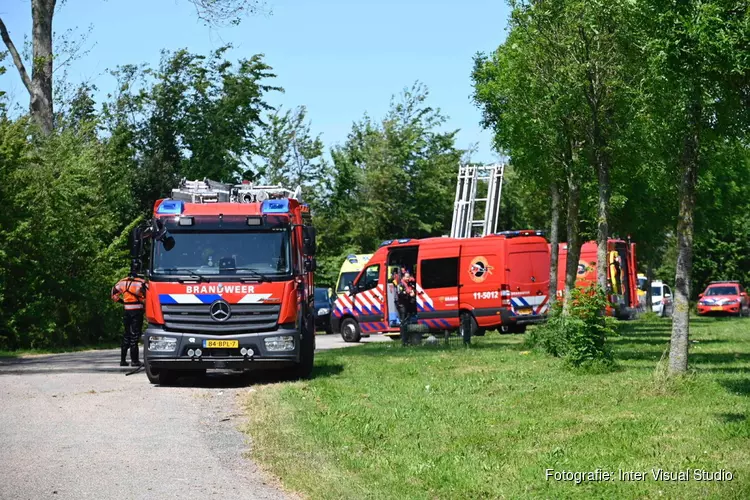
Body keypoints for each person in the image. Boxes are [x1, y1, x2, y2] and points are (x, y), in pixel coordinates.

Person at [111, 267, 147, 367]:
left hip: (127, 310)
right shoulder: (142, 282)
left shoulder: (122, 282)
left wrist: (122, 302)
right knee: (135, 335)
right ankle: (135, 361)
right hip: (137, 311)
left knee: (127, 334)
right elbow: (148, 295)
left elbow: (113, 295)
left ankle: (123, 360)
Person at [397, 270, 418, 345]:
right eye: (407, 277)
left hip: (407, 304)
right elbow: (400, 293)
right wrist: (409, 293)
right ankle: (404, 340)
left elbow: (413, 289)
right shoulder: (400, 284)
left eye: (409, 277)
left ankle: (408, 338)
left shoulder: (409, 283)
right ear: (403, 277)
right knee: (403, 321)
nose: (408, 278)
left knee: (408, 320)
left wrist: (413, 292)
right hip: (402, 305)